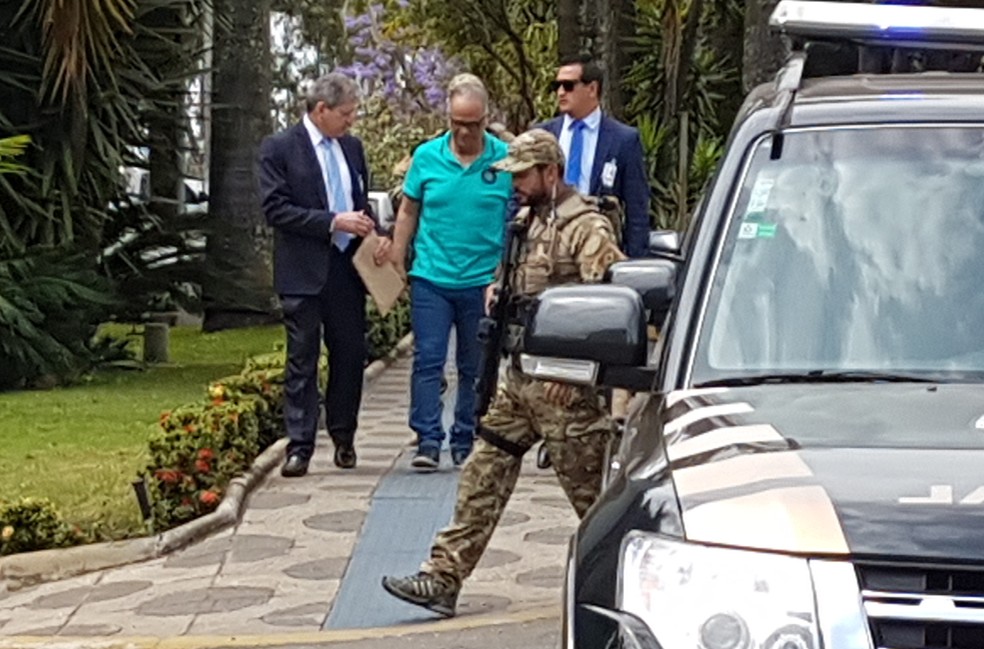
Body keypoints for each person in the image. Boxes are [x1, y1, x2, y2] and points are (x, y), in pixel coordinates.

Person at [381, 128, 625, 617]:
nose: (514, 185)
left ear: (550, 173)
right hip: (520, 382)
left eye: (523, 176)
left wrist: (579, 372)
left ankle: (632, 581)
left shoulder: (586, 228)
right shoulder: (525, 224)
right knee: (483, 473)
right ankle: (443, 576)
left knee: (598, 503)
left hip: (565, 393)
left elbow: (612, 306)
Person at [258, 72, 391, 478]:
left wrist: (375, 234)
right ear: (321, 110)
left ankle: (344, 436)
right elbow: (276, 209)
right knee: (303, 358)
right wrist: (333, 221)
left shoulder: (352, 148)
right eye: (345, 114)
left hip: (347, 269)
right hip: (303, 269)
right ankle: (299, 445)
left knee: (350, 354)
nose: (351, 121)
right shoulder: (281, 148)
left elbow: (359, 202)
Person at [388, 73, 513, 472]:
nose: (464, 132)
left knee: (473, 366)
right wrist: (397, 255)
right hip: (432, 277)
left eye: (472, 124)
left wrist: (505, 271)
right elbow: (409, 210)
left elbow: (519, 216)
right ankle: (428, 439)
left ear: (485, 119)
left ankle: (465, 436)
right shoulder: (427, 157)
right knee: (428, 359)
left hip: (482, 281)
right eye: (457, 123)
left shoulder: (505, 160)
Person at [539, 55, 650, 259]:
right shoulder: (542, 135)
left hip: (599, 250)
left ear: (592, 88)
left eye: (568, 86)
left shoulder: (623, 140)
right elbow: (519, 196)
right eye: (557, 86)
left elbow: (637, 210)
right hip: (547, 251)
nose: (561, 92)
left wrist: (635, 265)